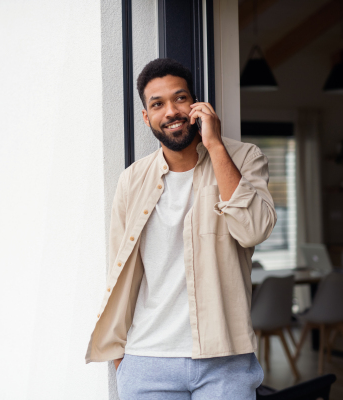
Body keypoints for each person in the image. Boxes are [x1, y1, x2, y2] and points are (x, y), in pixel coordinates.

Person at [85, 58, 277, 399]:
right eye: (157, 104)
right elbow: (121, 268)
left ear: (197, 104)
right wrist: (121, 359)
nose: (171, 111)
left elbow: (253, 230)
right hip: (147, 361)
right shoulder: (132, 180)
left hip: (225, 361)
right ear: (146, 117)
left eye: (180, 98)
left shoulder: (245, 158)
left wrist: (215, 144)